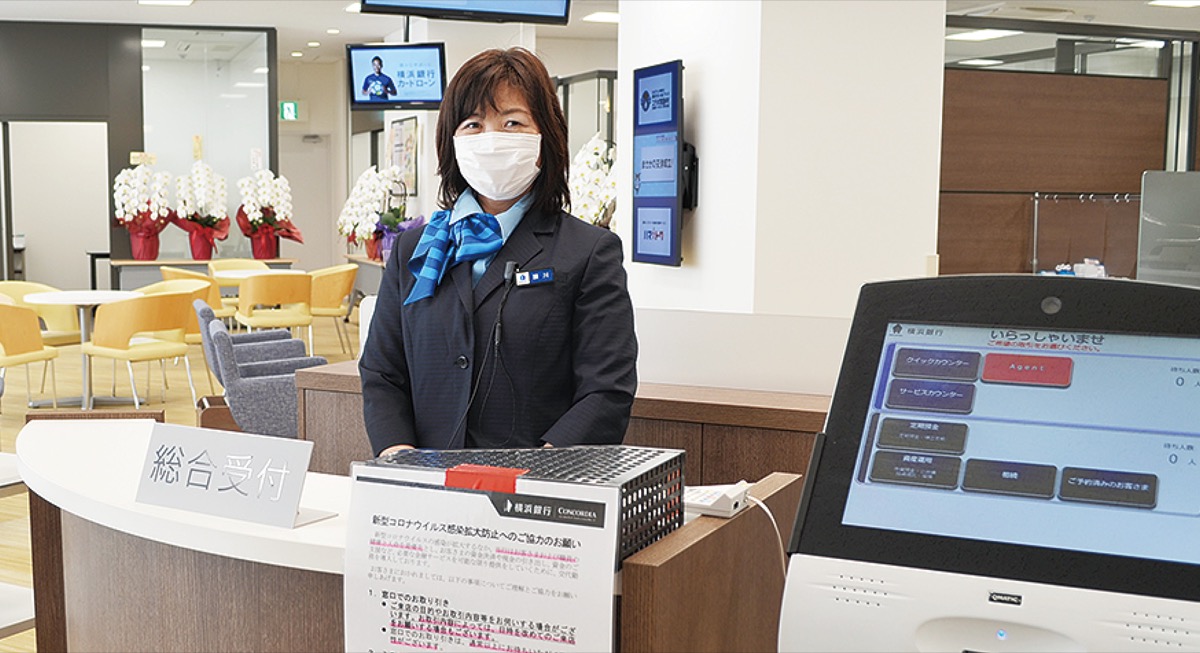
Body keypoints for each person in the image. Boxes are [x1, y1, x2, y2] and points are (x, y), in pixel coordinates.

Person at [359, 47, 638, 456]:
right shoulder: (415, 250)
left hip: (535, 496)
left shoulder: (589, 252)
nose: (491, 139)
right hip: (425, 492)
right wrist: (399, 457)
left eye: (512, 122)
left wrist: (540, 476)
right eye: (473, 124)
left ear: (546, 136)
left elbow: (606, 391)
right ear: (452, 141)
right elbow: (383, 373)